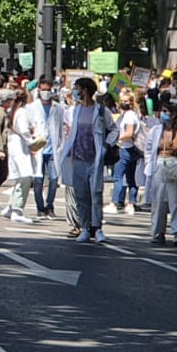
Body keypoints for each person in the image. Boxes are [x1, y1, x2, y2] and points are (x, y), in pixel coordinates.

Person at [57, 76, 115, 244]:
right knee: (81, 195)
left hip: (94, 159)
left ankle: (97, 228)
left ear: (86, 90)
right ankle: (85, 227)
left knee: (95, 194)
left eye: (77, 89)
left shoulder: (102, 111)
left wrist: (106, 145)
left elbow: (113, 130)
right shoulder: (74, 110)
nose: (75, 92)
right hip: (77, 158)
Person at [147, 104, 177, 246]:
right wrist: (149, 167)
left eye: (165, 111)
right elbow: (148, 149)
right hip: (159, 164)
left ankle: (176, 232)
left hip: (175, 165)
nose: (162, 114)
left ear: (173, 114)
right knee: (158, 202)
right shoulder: (155, 131)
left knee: (175, 201)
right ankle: (159, 232)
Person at [3, 91, 39, 224]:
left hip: (14, 145)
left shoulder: (13, 111)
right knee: (25, 176)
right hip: (20, 146)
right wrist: (32, 141)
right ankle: (17, 210)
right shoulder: (22, 112)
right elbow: (24, 130)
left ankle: (10, 206)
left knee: (20, 177)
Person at [29, 79, 63, 218]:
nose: (46, 93)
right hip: (38, 148)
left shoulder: (58, 108)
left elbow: (61, 127)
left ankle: (50, 206)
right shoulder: (32, 107)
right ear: (39, 90)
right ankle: (40, 207)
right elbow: (29, 126)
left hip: (53, 148)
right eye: (43, 90)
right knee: (38, 179)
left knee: (54, 180)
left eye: (48, 90)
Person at [112, 90, 144, 215]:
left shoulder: (130, 115)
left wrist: (117, 139)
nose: (123, 103)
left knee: (118, 176)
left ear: (131, 103)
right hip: (131, 148)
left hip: (126, 147)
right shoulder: (130, 114)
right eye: (121, 101)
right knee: (130, 177)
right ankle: (131, 202)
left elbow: (129, 133)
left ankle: (116, 202)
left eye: (126, 101)